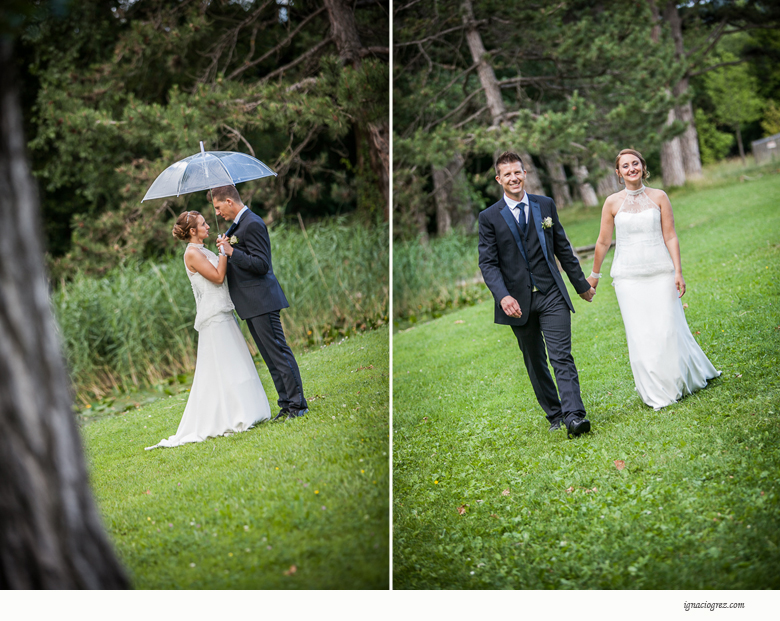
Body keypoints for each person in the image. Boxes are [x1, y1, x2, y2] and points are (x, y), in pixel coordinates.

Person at [587, 148, 719, 409]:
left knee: (667, 328)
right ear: (618, 172)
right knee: (640, 334)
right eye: (625, 166)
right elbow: (603, 241)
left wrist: (678, 271)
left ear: (642, 166)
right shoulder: (612, 203)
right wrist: (594, 275)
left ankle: (677, 381)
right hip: (628, 278)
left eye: (635, 163)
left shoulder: (659, 196)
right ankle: (657, 392)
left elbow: (670, 235)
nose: (631, 169)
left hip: (661, 273)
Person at [478, 151, 595, 438]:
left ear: (525, 174)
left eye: (517, 172)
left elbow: (563, 248)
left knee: (561, 356)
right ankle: (555, 414)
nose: (513, 178)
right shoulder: (489, 217)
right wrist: (503, 296)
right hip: (517, 302)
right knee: (534, 360)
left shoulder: (545, 205)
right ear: (499, 179)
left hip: (551, 292)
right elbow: (488, 263)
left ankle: (574, 416)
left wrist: (581, 285)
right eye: (507, 174)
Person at [146, 211, 271, 450]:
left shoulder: (202, 250)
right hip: (213, 317)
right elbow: (217, 276)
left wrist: (224, 250)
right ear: (192, 231)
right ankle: (230, 416)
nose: (207, 226)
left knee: (234, 363)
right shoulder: (192, 253)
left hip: (223, 312)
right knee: (224, 365)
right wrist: (224, 251)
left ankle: (245, 410)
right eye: (202, 224)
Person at [210, 185, 308, 421]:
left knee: (279, 353)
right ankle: (285, 404)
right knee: (269, 357)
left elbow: (262, 264)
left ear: (229, 201)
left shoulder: (252, 223)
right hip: (250, 304)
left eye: (218, 207)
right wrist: (226, 248)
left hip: (262, 300)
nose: (216, 213)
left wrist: (232, 252)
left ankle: (298, 405)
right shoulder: (235, 227)